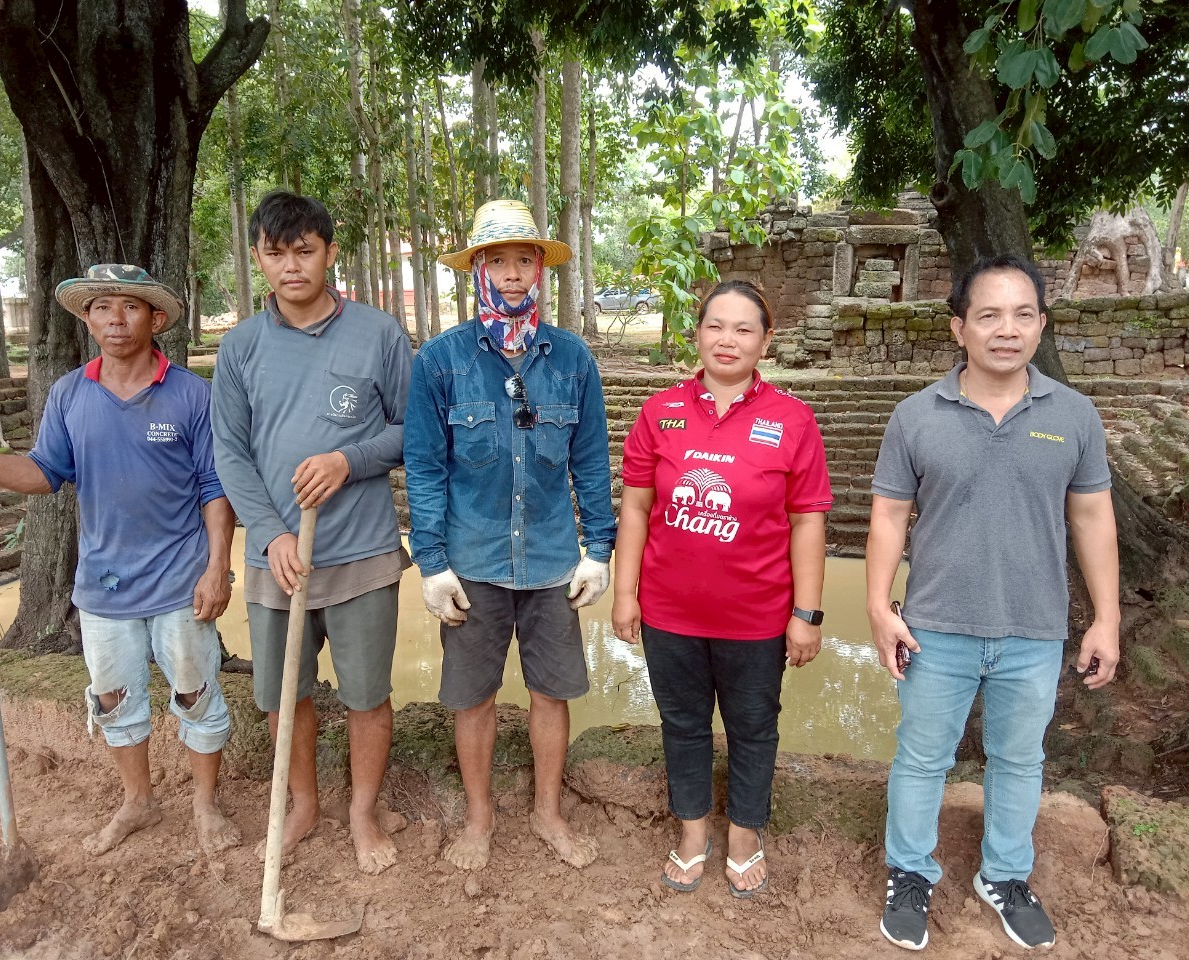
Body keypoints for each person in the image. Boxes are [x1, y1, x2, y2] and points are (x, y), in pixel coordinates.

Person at [0, 264, 241, 857]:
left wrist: (217, 566)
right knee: (113, 698)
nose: (116, 319)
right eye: (102, 307)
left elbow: (215, 487)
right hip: (103, 585)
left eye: (130, 307)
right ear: (87, 319)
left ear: (155, 319)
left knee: (195, 691)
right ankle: (137, 801)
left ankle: (206, 804)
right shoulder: (70, 394)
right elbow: (44, 473)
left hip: (181, 579)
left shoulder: (190, 394)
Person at [866, 254, 1120, 952]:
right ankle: (910, 872)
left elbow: (1093, 517)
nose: (1005, 330)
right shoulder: (917, 416)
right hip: (936, 626)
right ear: (960, 327)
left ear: (1041, 324)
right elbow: (889, 517)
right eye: (988, 315)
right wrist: (880, 606)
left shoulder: (1073, 416)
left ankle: (1005, 875)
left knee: (1019, 759)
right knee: (921, 758)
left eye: (1021, 314)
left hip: (1034, 628)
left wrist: (1107, 618)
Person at [404, 199, 616, 872]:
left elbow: (589, 460)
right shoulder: (440, 362)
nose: (514, 273)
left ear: (540, 270)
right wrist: (432, 564)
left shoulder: (573, 360)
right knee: (474, 696)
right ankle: (478, 817)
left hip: (553, 562)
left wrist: (600, 550)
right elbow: (426, 467)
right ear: (478, 269)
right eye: (499, 260)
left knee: (552, 692)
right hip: (473, 563)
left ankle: (548, 813)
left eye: (526, 259)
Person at [210, 191, 413, 874]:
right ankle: (302, 803)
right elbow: (230, 454)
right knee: (282, 693)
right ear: (259, 257)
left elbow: (413, 432)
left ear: (329, 253)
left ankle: (362, 810)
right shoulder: (239, 347)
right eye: (276, 251)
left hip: (361, 552)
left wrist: (347, 460)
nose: (290, 265)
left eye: (304, 250)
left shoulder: (378, 334)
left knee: (366, 693)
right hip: (280, 560)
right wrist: (270, 535)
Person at [612, 279, 832, 897]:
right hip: (669, 612)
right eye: (715, 326)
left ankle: (743, 834)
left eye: (743, 329)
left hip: (758, 618)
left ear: (765, 340)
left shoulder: (792, 420)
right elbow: (635, 508)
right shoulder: (661, 412)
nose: (727, 339)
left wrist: (806, 612)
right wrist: (626, 592)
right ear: (697, 333)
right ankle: (691, 832)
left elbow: (808, 518)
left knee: (753, 727)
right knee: (681, 723)